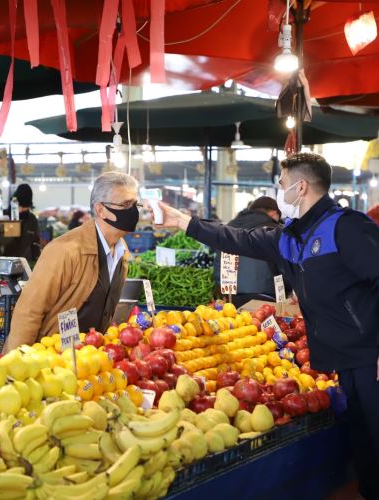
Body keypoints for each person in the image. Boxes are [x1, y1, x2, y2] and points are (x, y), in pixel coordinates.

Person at [158, 153, 379, 500]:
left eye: (281, 184)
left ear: (300, 187)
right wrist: (185, 223)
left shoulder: (345, 227)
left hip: (370, 354)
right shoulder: (289, 238)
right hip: (339, 356)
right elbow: (236, 239)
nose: (279, 191)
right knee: (363, 441)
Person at [3, 171, 139, 352]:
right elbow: (29, 311)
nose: (133, 211)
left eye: (135, 204)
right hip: (50, 359)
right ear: (100, 209)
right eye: (125, 204)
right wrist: (17, 364)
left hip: (87, 362)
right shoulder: (64, 250)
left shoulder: (122, 252)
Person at [213, 196, 289, 307]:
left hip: (233, 297)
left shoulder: (229, 228)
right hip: (268, 297)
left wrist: (221, 287)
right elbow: (284, 267)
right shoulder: (272, 231)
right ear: (273, 213)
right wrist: (288, 289)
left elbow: (218, 264)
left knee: (239, 324)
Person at [3, 184, 41, 262]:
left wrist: (37, 262)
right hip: (5, 261)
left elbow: (35, 242)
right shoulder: (4, 218)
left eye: (26, 207)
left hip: (25, 263)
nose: (23, 210)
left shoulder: (32, 219)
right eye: (21, 206)